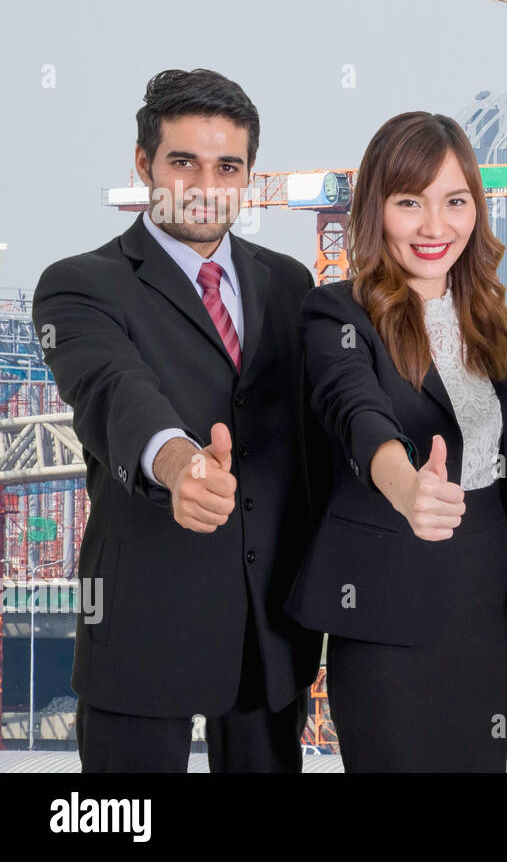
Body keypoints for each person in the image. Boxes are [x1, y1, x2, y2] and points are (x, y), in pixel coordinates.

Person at [33, 68, 328, 772]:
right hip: (142, 620)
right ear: (144, 164)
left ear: (250, 175)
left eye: (228, 166)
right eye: (183, 162)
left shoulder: (289, 283)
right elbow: (113, 387)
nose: (206, 184)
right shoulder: (80, 283)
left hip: (269, 631)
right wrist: (177, 462)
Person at [284, 111, 507, 772]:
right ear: (376, 210)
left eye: (455, 201)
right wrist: (407, 487)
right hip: (387, 617)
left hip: (486, 619)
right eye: (410, 203)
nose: (436, 226)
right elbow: (356, 409)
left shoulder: (487, 322)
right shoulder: (337, 312)